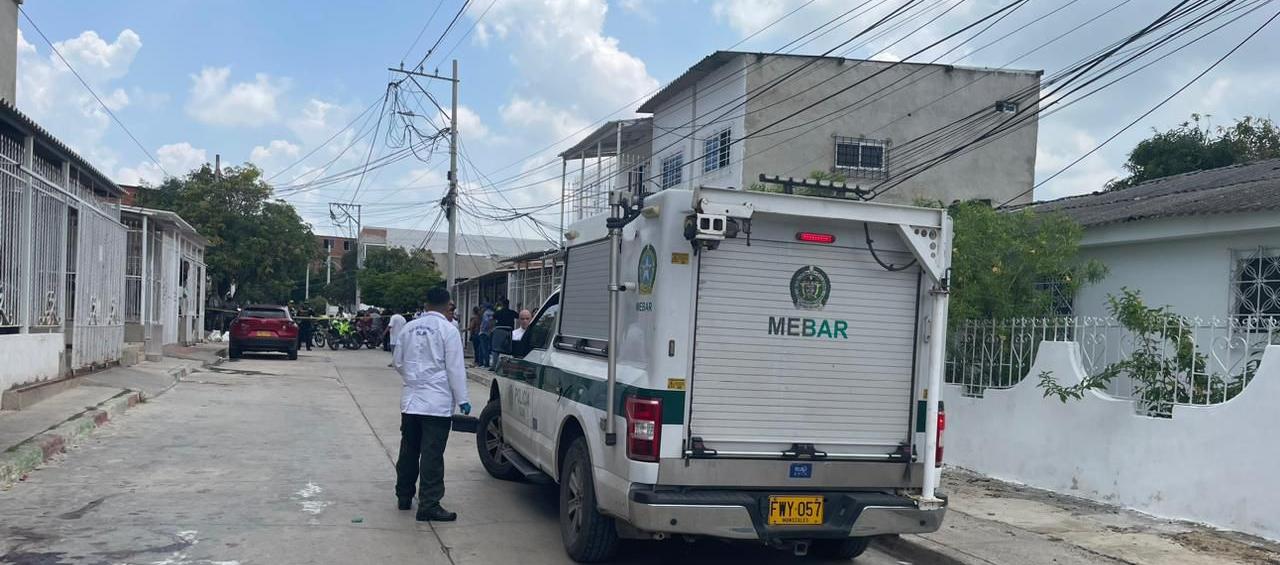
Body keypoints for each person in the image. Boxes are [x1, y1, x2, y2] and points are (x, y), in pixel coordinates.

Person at [393, 287, 470, 522]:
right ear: (448, 306)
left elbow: (397, 362)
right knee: (432, 455)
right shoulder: (448, 330)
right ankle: (429, 504)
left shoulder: (408, 328)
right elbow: (455, 368)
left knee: (408, 451)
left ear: (426, 304)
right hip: (436, 404)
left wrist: (414, 380)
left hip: (411, 401)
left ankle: (404, 496)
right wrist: (463, 399)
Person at [491, 298, 517, 369]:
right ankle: (505, 366)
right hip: (508, 332)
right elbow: (518, 316)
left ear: (502, 304)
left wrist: (492, 329)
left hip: (498, 331)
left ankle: (494, 366)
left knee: (495, 349)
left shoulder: (499, 312)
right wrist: (518, 307)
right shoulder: (511, 312)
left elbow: (493, 318)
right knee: (507, 350)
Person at [477, 303, 494, 370]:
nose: (481, 309)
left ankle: (485, 363)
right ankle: (482, 363)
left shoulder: (485, 313)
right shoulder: (492, 313)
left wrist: (482, 329)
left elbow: (486, 322)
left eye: (482, 308)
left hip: (484, 333)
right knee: (485, 348)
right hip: (490, 332)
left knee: (484, 348)